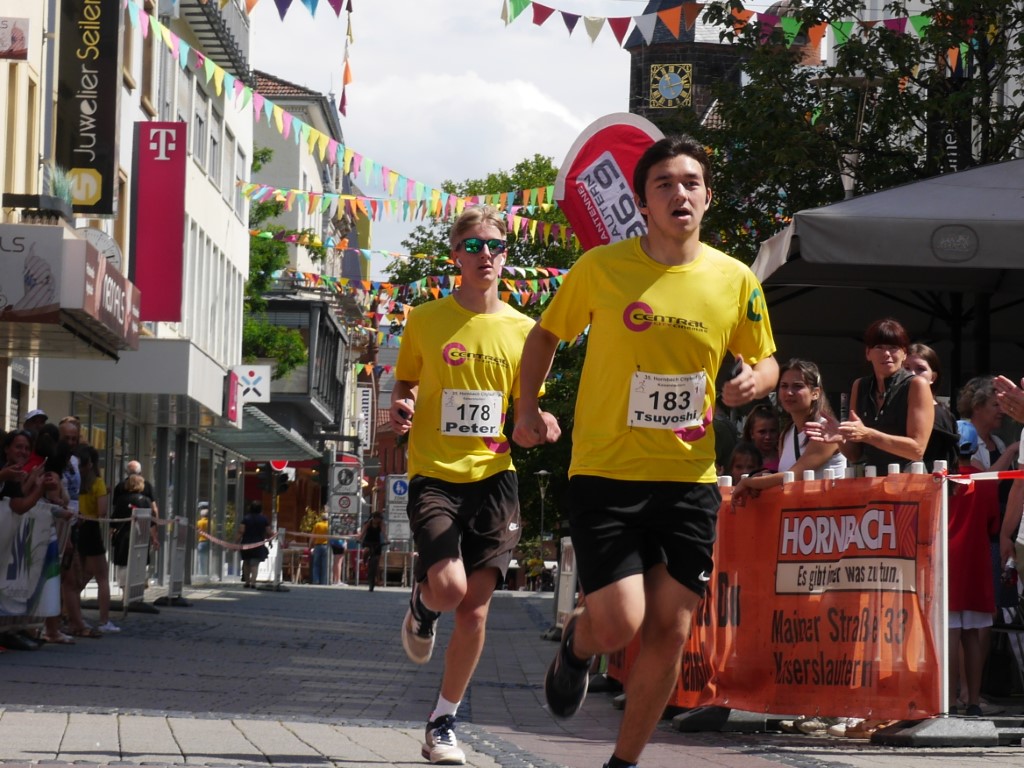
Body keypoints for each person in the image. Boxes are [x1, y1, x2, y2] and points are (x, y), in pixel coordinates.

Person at [513, 135, 778, 768]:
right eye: (664, 184)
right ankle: (578, 644)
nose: (679, 193)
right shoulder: (601, 268)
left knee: (672, 628)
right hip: (607, 471)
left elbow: (767, 359)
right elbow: (544, 336)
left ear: (707, 197)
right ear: (642, 202)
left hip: (689, 478)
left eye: (691, 182)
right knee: (620, 623)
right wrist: (525, 409)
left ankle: (624, 762)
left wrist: (755, 381)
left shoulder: (736, 278)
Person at [390, 204, 559, 766]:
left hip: (495, 478)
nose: (485, 254)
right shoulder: (425, 319)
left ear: (506, 256)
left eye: (495, 246)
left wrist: (539, 423)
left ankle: (442, 720)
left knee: (476, 611)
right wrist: (402, 405)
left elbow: (525, 411)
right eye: (473, 246)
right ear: (455, 256)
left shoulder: (526, 331)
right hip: (435, 473)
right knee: (448, 588)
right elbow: (406, 384)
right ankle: (422, 606)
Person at [805, 318, 934, 473]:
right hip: (872, 478)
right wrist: (840, 438)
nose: (886, 354)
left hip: (909, 478)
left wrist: (868, 434)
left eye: (893, 347)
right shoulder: (860, 386)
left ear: (904, 354)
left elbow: (917, 450)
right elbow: (855, 455)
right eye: (879, 347)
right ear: (868, 353)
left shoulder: (916, 385)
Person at [733, 359, 846, 501]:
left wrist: (748, 482)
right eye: (784, 386)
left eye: (797, 386)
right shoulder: (786, 434)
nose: (789, 392)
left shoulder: (826, 432)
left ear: (815, 393)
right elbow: (784, 479)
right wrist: (764, 477)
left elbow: (792, 475)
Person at [947, 420, 999, 716]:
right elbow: (993, 523)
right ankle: (974, 701)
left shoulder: (940, 479)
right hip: (976, 563)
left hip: (948, 563)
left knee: (951, 633)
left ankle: (950, 701)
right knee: (972, 634)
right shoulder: (985, 480)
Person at [958, 375, 1020, 619]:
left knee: (1005, 593)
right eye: (996, 405)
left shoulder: (997, 442)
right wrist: (1013, 451)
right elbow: (984, 481)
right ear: (977, 407)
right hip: (981, 530)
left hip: (1003, 524)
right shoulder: (963, 437)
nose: (1002, 411)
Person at [75, 445, 119, 633]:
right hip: (90, 528)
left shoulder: (73, 482)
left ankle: (69, 615)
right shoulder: (97, 483)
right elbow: (101, 511)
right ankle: (104, 620)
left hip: (74, 527)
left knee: (76, 577)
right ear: (92, 464)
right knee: (102, 576)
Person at [904, 343, 959, 471]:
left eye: (920, 369)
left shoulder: (940, 415)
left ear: (932, 377)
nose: (912, 374)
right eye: (906, 368)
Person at [238, 501, 272, 589]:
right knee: (255, 564)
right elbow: (269, 532)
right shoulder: (264, 519)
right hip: (258, 544)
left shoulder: (246, 518)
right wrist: (270, 540)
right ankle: (253, 582)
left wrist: (236, 542)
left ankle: (247, 582)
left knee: (246, 563)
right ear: (260, 509)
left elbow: (241, 531)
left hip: (246, 544)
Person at [740, 403, 780, 472]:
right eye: (762, 432)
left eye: (772, 431)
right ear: (752, 433)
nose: (768, 437)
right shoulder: (741, 459)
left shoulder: (784, 458)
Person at [359, 512, 386, 592]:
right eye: (378, 518)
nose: (379, 520)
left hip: (377, 542)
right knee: (367, 549)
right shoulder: (368, 523)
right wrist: (359, 539)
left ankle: (376, 580)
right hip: (368, 541)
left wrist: (387, 540)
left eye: (380, 519)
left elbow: (384, 533)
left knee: (376, 561)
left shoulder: (381, 524)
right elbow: (363, 532)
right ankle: (364, 562)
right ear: (374, 518)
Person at [311, 510, 330, 585]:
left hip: (317, 546)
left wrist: (310, 545)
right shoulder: (329, 525)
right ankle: (324, 581)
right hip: (326, 546)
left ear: (321, 518)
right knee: (325, 565)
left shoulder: (317, 525)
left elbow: (312, 536)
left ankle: (316, 580)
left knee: (316, 564)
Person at [196, 503, 211, 577]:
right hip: (208, 542)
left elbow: (196, 532)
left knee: (201, 559)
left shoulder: (199, 522)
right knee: (207, 559)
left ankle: (201, 574)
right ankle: (207, 573)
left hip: (201, 541)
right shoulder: (210, 522)